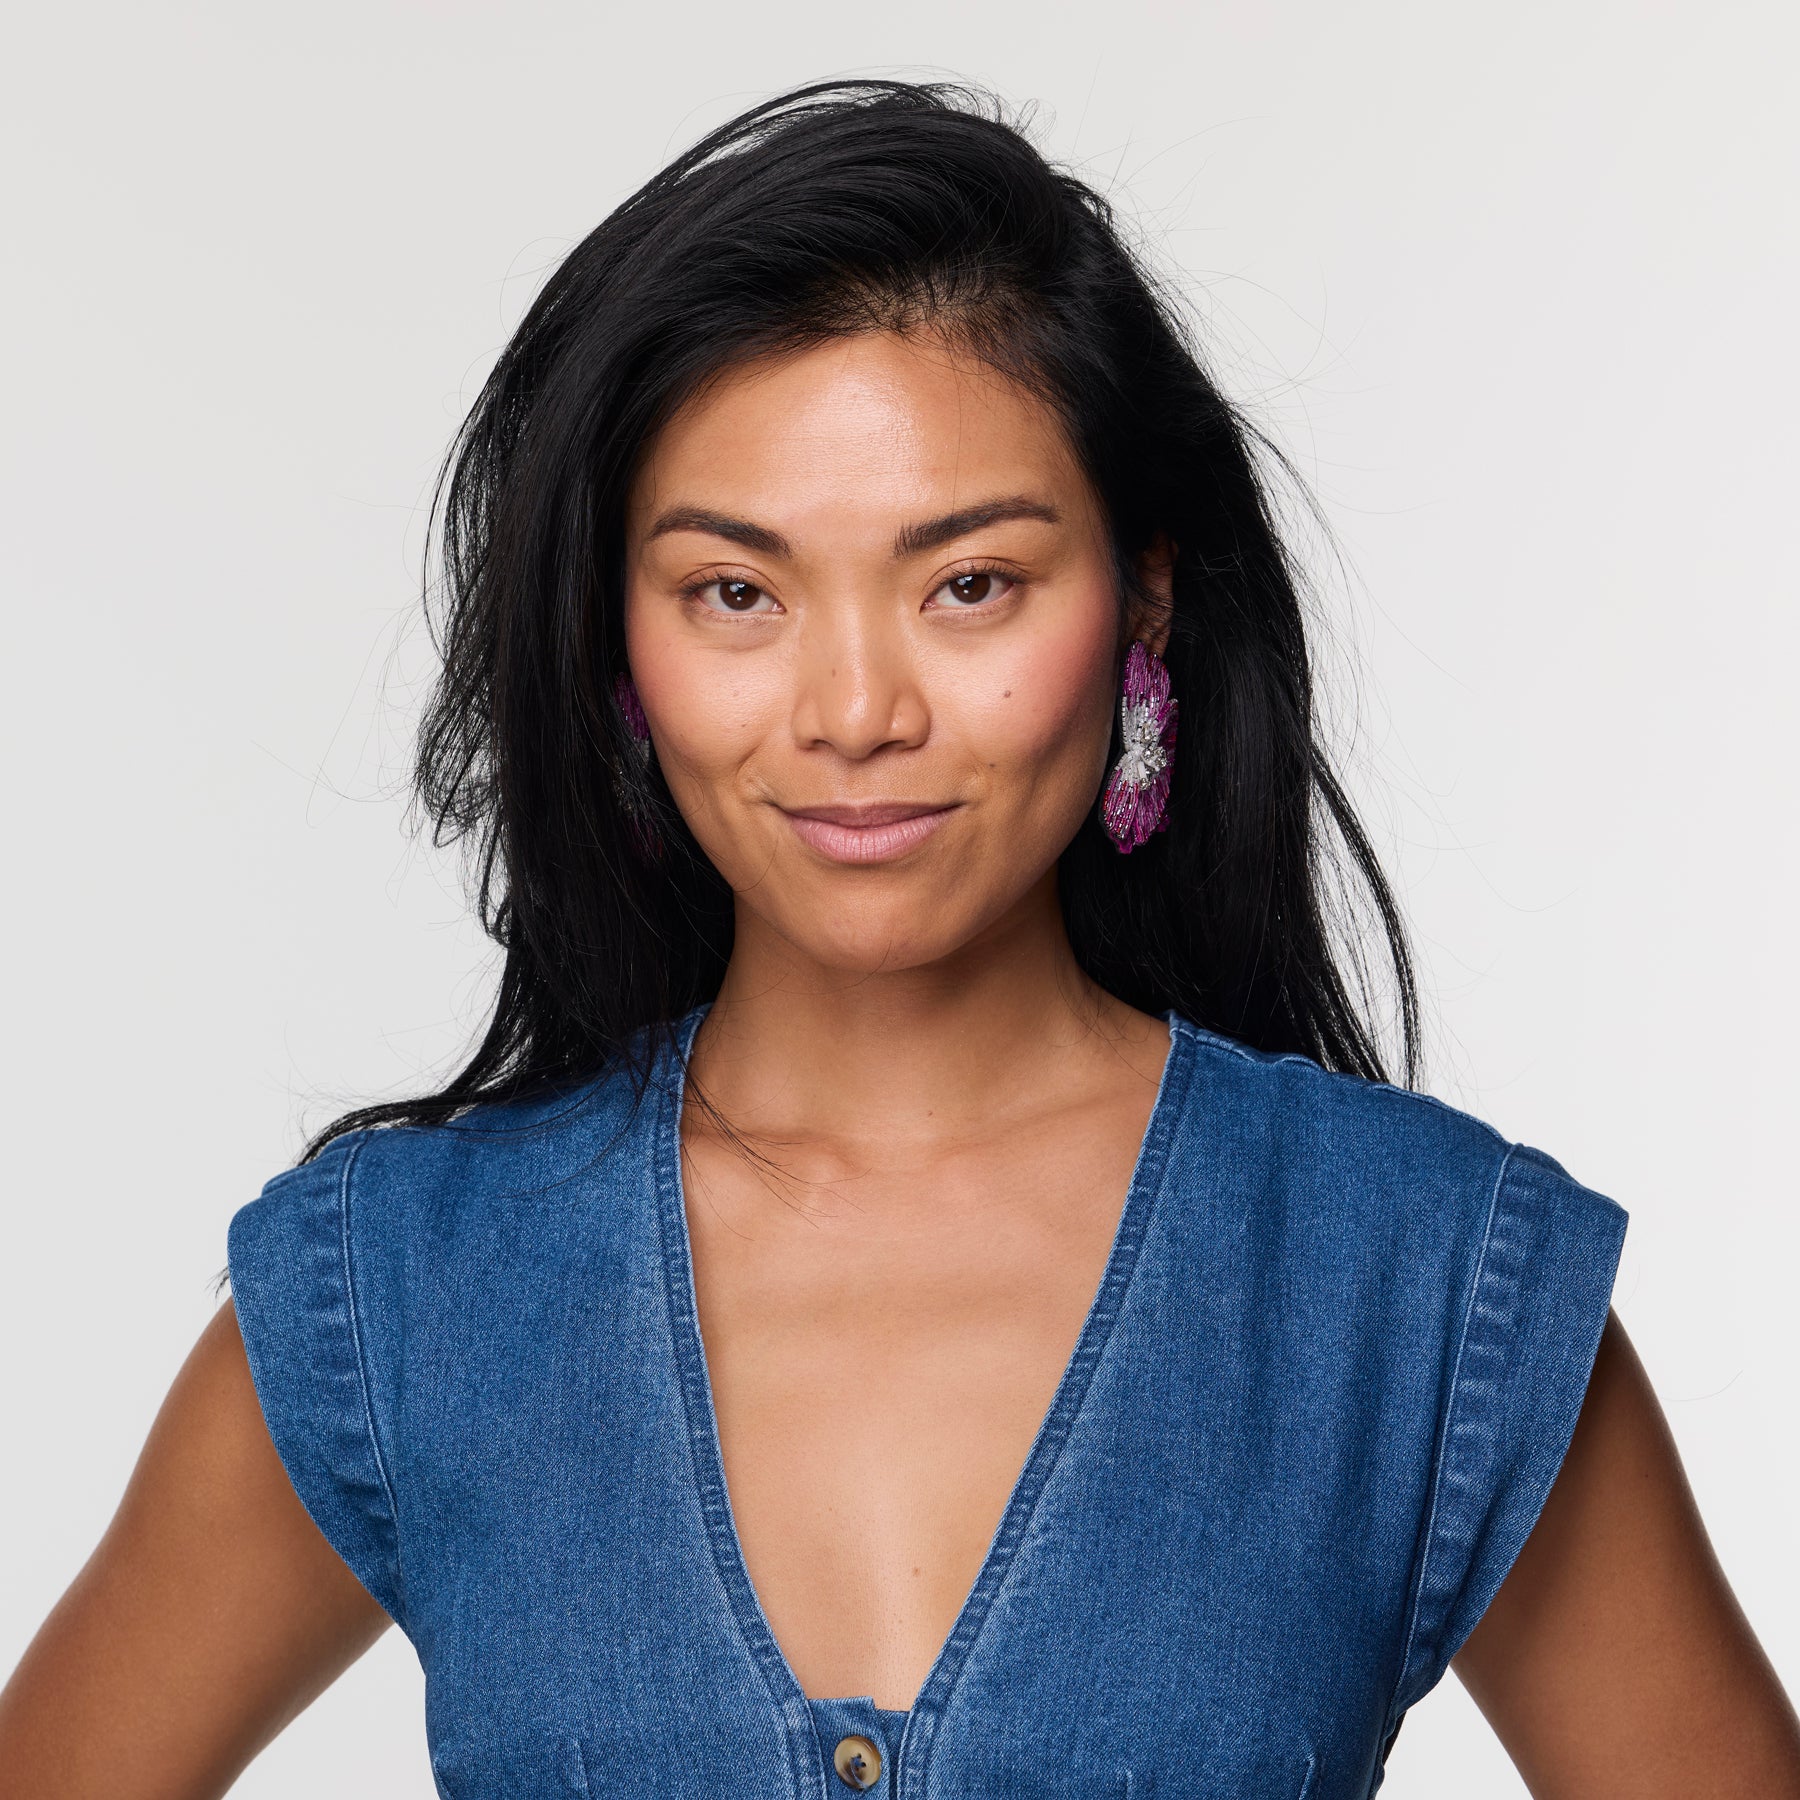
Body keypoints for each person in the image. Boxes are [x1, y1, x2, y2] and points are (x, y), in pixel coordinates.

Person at [1, 77, 1795, 1800]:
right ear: (616, 646)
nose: (855, 709)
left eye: (970, 584)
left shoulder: (1421, 1283)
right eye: (736, 592)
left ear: (1140, 596)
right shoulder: (400, 1292)